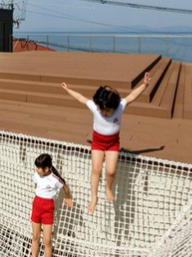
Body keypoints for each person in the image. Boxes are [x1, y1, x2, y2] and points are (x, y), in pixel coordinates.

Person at [61, 72, 151, 213]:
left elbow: (132, 95)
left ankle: (108, 188)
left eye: (108, 111)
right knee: (96, 169)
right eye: (102, 111)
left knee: (111, 170)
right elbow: (81, 98)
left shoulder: (120, 106)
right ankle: (94, 197)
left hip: (112, 143)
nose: (104, 114)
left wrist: (144, 84)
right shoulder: (96, 107)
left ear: (114, 107)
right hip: (97, 142)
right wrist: (68, 89)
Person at [28, 153, 73, 257]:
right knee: (35, 236)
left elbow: (65, 187)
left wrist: (68, 197)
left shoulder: (54, 179)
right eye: (36, 167)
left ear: (47, 169)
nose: (36, 170)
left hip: (48, 208)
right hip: (37, 205)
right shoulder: (37, 175)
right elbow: (36, 186)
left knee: (47, 240)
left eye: (39, 168)